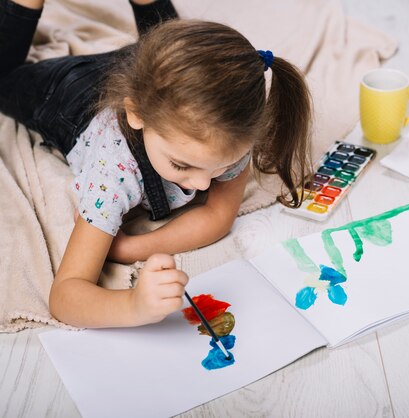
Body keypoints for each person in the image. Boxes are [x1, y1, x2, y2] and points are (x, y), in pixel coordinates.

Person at [0, 0, 312, 327]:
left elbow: (219, 216)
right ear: (136, 115)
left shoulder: (231, 134)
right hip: (69, 95)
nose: (204, 185)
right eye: (181, 165)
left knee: (162, 48)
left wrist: (129, 248)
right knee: (4, 77)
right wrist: (133, 305)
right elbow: (65, 298)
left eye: (221, 168)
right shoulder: (113, 172)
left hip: (138, 68)